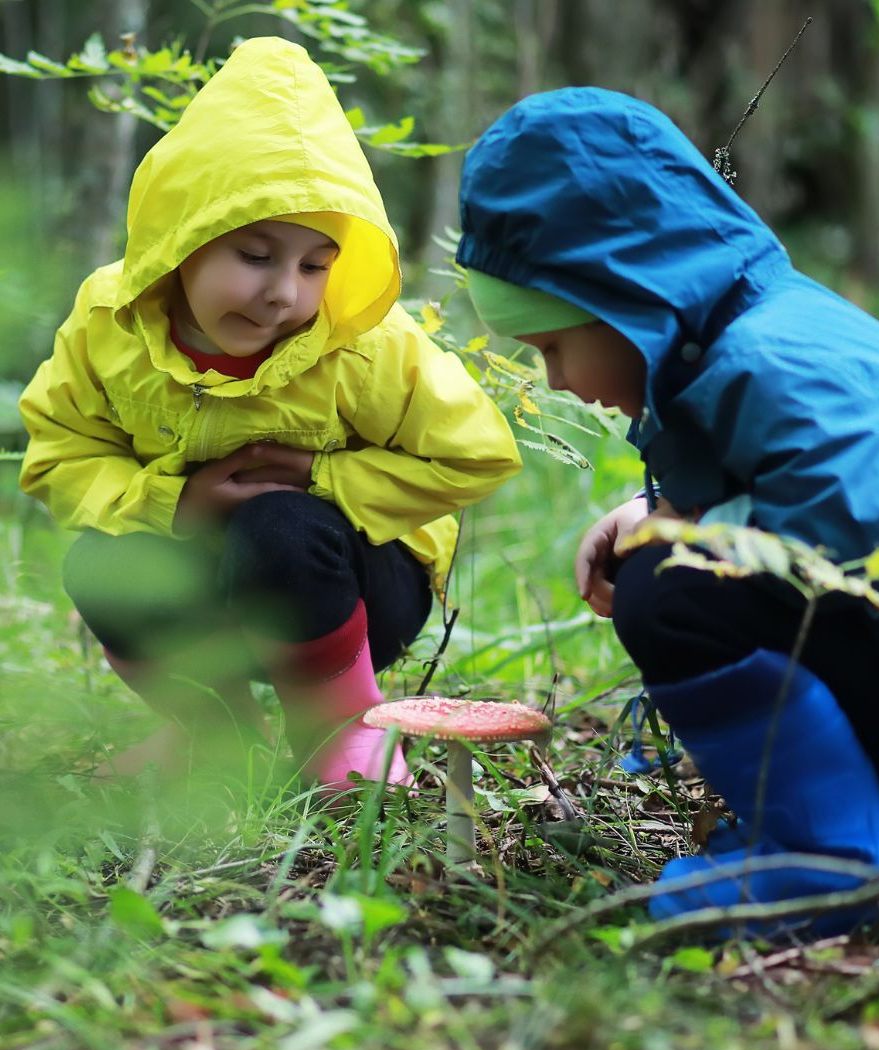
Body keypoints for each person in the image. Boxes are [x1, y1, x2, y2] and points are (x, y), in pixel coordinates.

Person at [456, 86, 879, 937]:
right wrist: (656, 507)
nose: (558, 380)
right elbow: (780, 486)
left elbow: (837, 529)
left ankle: (839, 870)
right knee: (677, 571)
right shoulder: (733, 341)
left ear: (628, 301)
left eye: (554, 345)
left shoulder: (782, 354)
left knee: (673, 591)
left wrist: (675, 532)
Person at [18, 38, 521, 794]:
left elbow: (477, 454)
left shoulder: (363, 347)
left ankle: (342, 729)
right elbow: (59, 453)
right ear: (179, 241)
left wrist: (325, 474)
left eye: (315, 265)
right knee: (100, 562)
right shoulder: (108, 322)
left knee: (279, 525)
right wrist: (175, 503)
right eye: (254, 255)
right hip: (201, 582)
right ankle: (215, 734)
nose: (284, 292)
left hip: (347, 593)